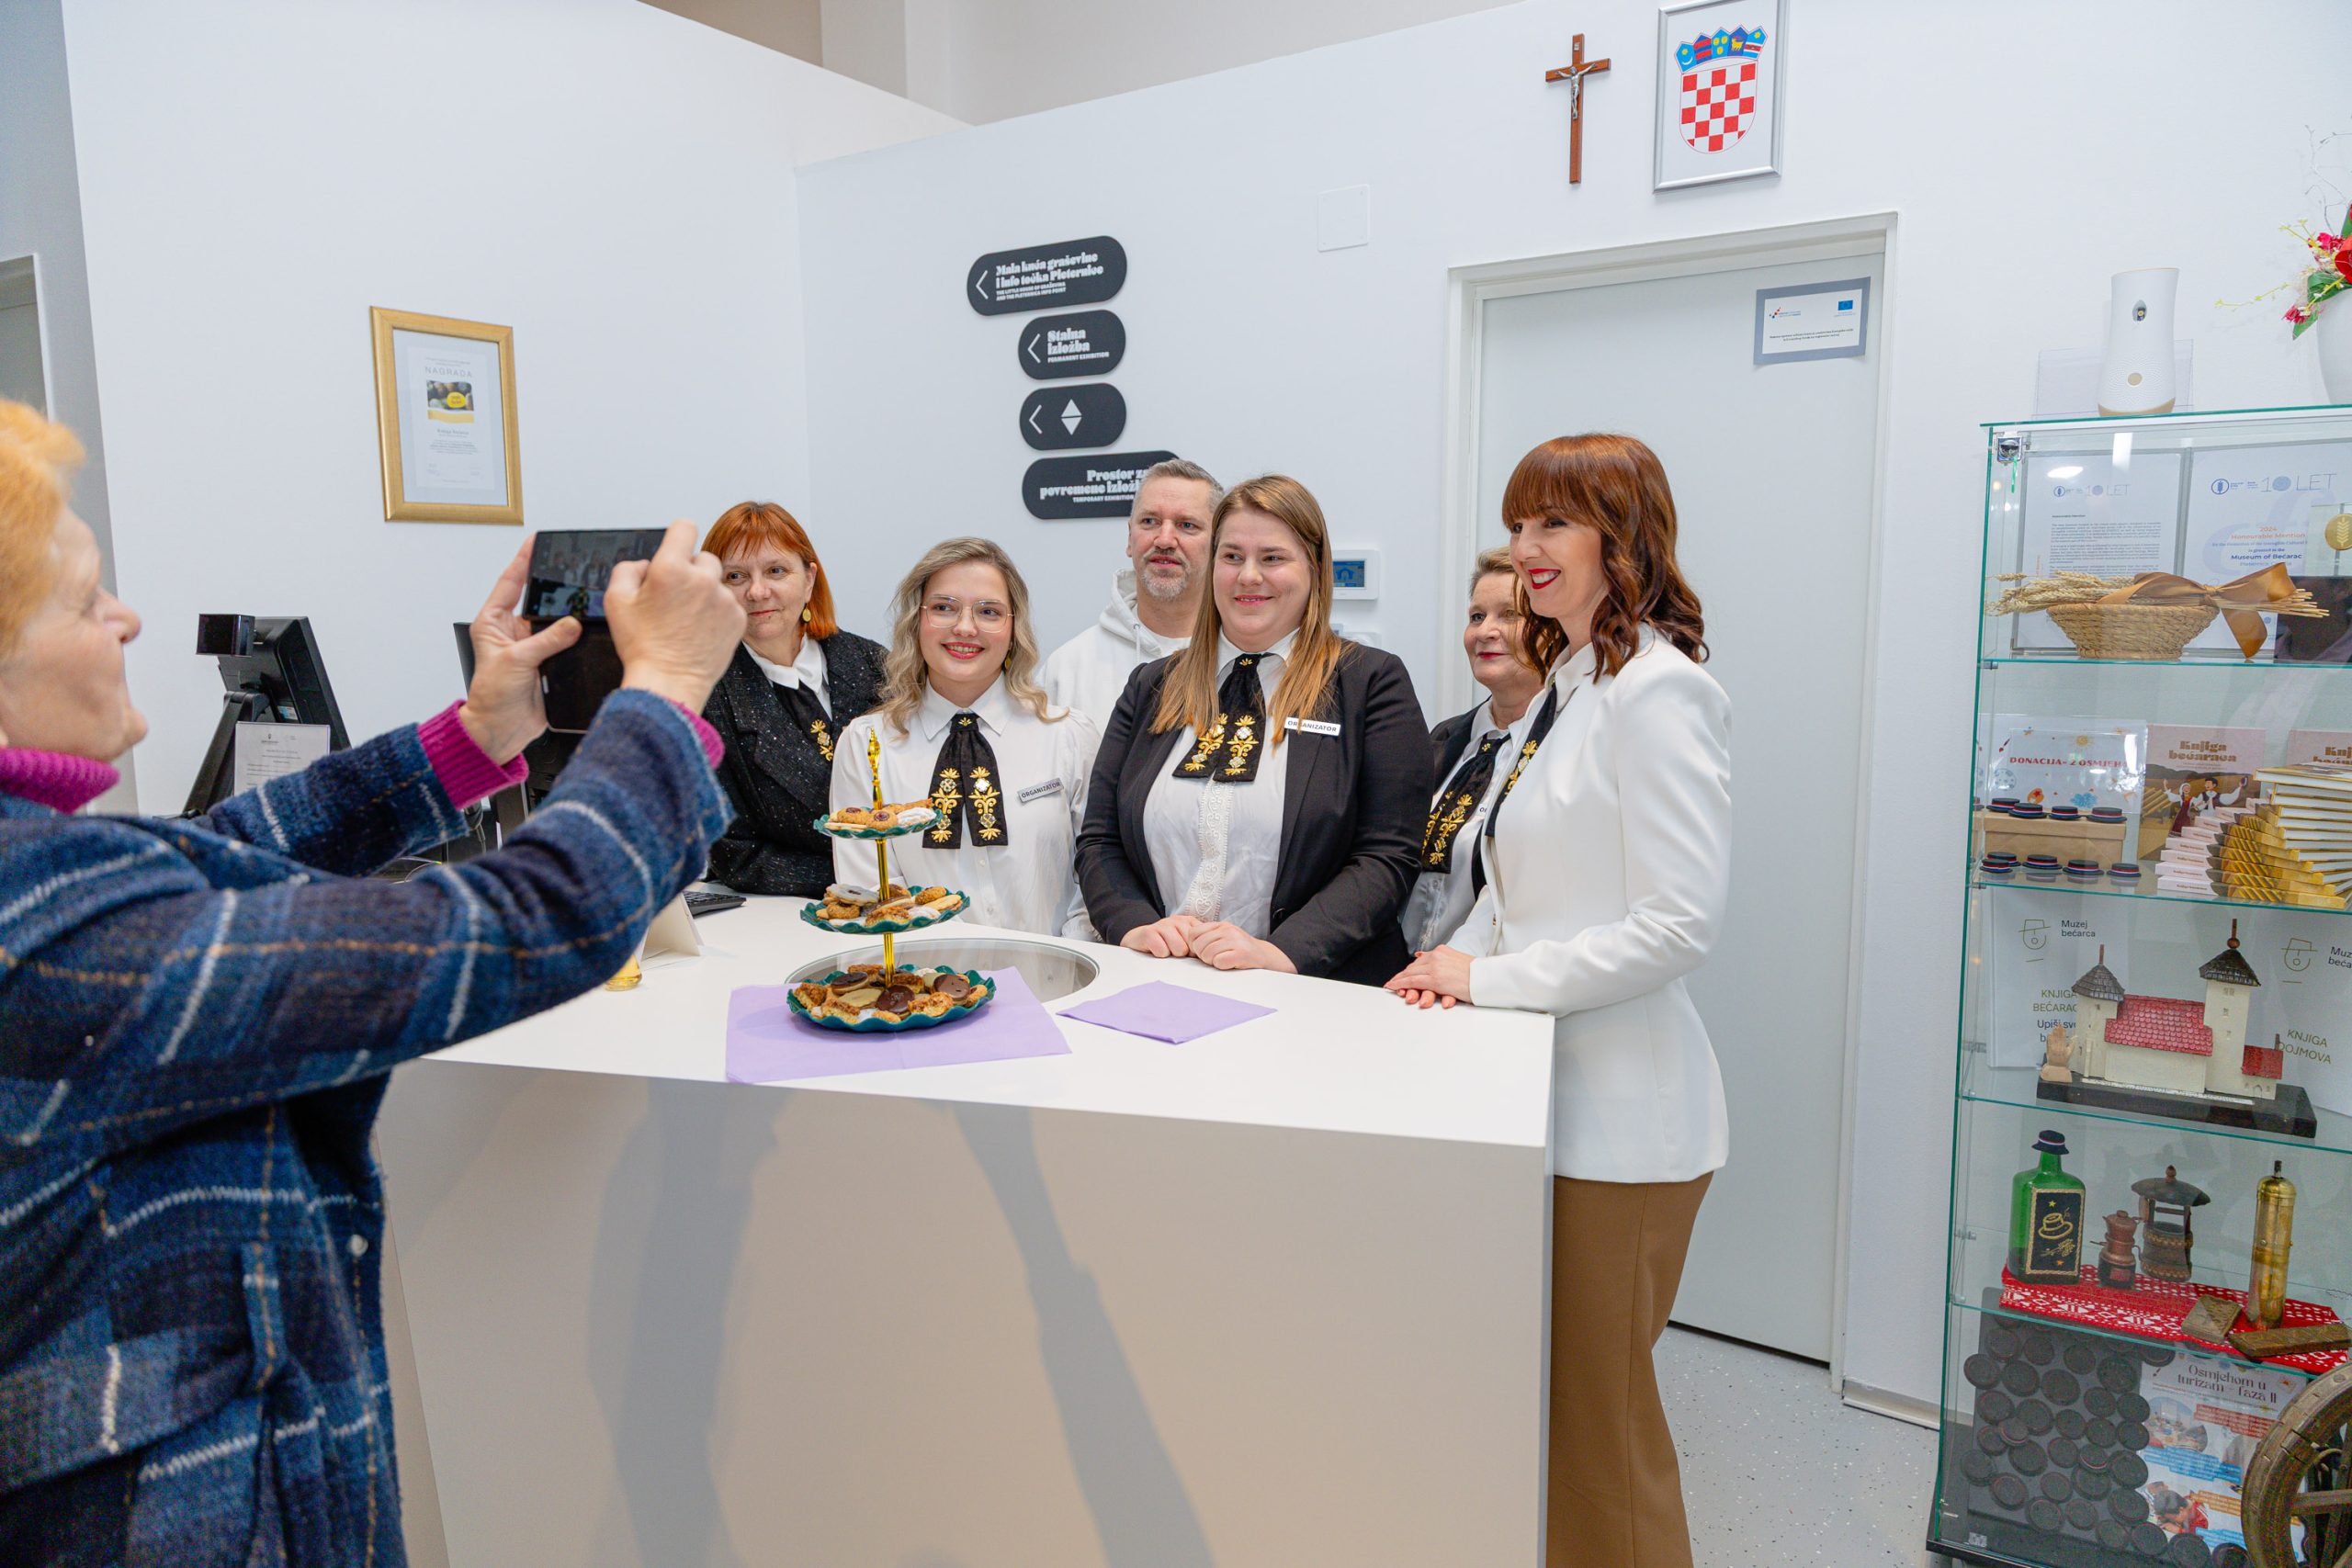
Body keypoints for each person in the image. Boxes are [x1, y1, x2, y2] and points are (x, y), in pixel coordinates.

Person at [0, 400, 746, 1563]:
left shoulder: (54, 876)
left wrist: (470, 739)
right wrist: (665, 691)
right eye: (87, 599)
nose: (127, 618)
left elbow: (223, 850)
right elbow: (535, 919)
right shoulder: (45, 922)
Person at [1386, 434, 1731, 1568]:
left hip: (1624, 1129)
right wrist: (1443, 967)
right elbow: (1520, 887)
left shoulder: (1660, 692)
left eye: (1552, 524)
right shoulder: (1571, 689)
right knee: (1552, 1422)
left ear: (1619, 538)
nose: (1527, 549)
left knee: (1603, 1441)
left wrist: (1485, 979)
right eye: (1518, 525)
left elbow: (1677, 924)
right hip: (1548, 1106)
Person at [1078, 474, 1429, 984]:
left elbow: (1388, 855)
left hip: (1315, 989)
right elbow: (1099, 839)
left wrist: (1280, 953)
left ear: (1314, 568)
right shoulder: (1151, 685)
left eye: (1272, 558)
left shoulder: (1370, 683)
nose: (1248, 576)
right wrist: (1134, 924)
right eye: (1232, 556)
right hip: (1161, 980)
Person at [829, 537, 1099, 936]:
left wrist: (1065, 958)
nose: (965, 628)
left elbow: (1097, 875)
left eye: (989, 612)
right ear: (915, 621)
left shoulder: (1069, 735)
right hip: (923, 971)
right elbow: (871, 894)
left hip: (1058, 967)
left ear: (1014, 628)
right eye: (944, 608)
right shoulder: (866, 745)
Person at [698, 501, 887, 896]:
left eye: (776, 571)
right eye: (735, 576)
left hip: (908, 902)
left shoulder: (875, 664)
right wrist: (863, 882)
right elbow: (735, 855)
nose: (757, 591)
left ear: (808, 579)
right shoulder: (706, 697)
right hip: (784, 910)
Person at [1404, 546, 1546, 954]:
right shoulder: (1444, 738)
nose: (1485, 631)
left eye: (1510, 615)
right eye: (1477, 616)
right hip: (1404, 975)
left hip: (1497, 975)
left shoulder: (1563, 747)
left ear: (1553, 631)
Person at [1041, 457, 1221, 730]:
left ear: (1218, 544)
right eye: (1150, 521)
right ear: (1129, 537)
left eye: (1187, 525)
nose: (1164, 540)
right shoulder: (1067, 667)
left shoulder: (1242, 657)